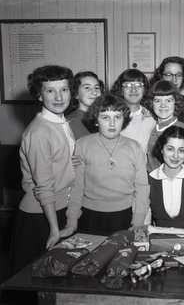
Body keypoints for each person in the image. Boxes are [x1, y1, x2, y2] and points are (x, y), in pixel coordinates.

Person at [10, 65, 75, 274]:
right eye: (50, 91)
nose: (58, 97)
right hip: (42, 215)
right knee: (36, 280)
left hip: (59, 207)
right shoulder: (39, 132)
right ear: (39, 95)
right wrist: (55, 229)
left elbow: (61, 162)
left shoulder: (60, 122)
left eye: (64, 90)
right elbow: (44, 186)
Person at [60, 94, 149, 237]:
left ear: (124, 119)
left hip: (125, 216)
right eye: (105, 117)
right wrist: (71, 222)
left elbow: (142, 187)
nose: (112, 123)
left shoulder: (135, 147)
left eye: (117, 117)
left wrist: (138, 220)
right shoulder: (83, 144)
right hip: (90, 217)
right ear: (96, 120)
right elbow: (77, 187)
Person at [149, 126, 184, 228]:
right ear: (162, 149)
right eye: (170, 149)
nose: (175, 156)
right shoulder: (149, 180)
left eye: (181, 150)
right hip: (159, 240)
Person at [143, 80, 184, 172]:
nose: (163, 105)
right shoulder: (152, 125)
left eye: (168, 100)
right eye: (158, 101)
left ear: (176, 103)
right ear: (152, 103)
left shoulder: (179, 129)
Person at [111, 68, 155, 153]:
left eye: (139, 85)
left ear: (145, 89)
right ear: (120, 90)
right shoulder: (113, 117)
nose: (133, 90)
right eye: (127, 85)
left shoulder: (152, 118)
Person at [66, 71, 104, 140]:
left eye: (97, 88)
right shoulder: (69, 123)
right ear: (76, 94)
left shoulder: (106, 118)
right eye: (87, 88)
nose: (94, 92)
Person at [154, 56, 184, 124]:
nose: (174, 80)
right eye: (169, 75)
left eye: (178, 75)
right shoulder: (151, 102)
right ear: (161, 77)